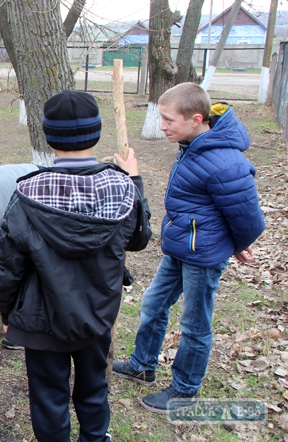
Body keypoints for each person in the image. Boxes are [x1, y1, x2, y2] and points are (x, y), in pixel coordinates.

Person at [0, 90, 152, 441]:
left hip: (42, 321)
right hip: (96, 316)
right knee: (94, 390)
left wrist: (7, 314)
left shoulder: (27, 193)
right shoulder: (122, 187)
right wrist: (135, 180)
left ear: (48, 136)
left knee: (49, 398)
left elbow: (6, 268)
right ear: (96, 133)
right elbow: (138, 239)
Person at [113, 83, 265, 414]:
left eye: (168, 120)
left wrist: (239, 245)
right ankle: (143, 364)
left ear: (196, 119)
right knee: (154, 303)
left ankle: (185, 390)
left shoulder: (225, 162)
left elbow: (249, 218)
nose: (163, 126)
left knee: (195, 325)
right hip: (181, 249)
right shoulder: (192, 145)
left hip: (203, 256)